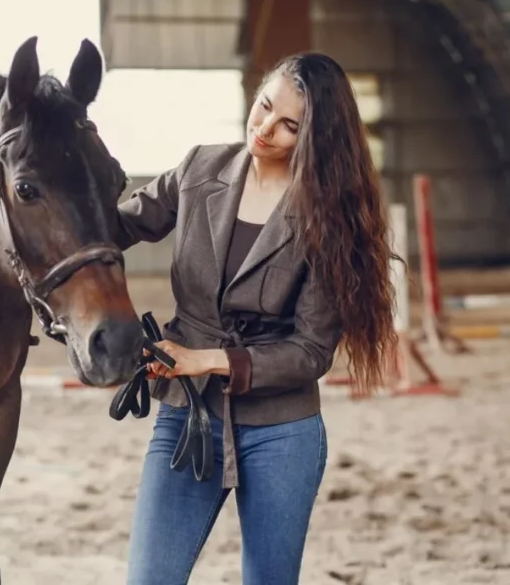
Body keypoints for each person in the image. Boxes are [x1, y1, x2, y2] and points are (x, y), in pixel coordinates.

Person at [113, 52, 399, 584]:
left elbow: (311, 351)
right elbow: (113, 229)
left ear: (315, 138)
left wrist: (205, 359)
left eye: (290, 125)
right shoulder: (199, 169)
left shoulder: (329, 218)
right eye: (264, 106)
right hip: (187, 417)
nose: (265, 128)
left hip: (281, 430)